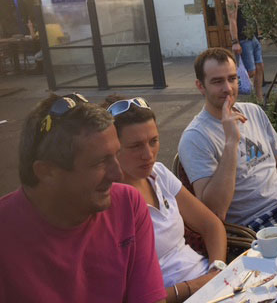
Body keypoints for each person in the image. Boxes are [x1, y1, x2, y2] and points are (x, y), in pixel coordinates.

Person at [0, 93, 166, 303]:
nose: (117, 174)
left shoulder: (127, 204)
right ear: (47, 172)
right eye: (100, 162)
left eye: (116, 154)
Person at [104, 95, 228, 303]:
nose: (148, 154)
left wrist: (217, 269)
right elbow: (127, 295)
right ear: (113, 148)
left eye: (153, 141)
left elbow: (211, 224)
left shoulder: (158, 174)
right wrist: (196, 286)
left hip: (209, 282)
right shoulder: (106, 202)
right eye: (135, 146)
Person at [178, 48, 277, 232]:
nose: (228, 88)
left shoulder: (253, 111)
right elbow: (215, 211)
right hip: (258, 225)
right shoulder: (195, 137)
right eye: (217, 81)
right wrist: (231, 142)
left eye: (232, 78)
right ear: (200, 86)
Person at [226, 0, 264, 102]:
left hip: (254, 37)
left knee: (260, 68)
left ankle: (259, 100)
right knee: (249, 72)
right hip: (243, 39)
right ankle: (239, 99)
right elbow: (232, 20)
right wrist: (235, 42)